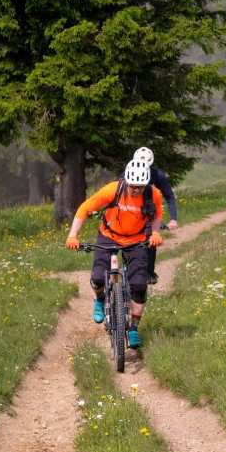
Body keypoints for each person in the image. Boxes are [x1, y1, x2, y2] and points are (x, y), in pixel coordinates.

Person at [65, 159, 164, 349]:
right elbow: (84, 209)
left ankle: (133, 328)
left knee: (139, 285)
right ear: (126, 181)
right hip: (109, 235)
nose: (136, 190)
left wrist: (156, 232)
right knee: (97, 278)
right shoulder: (112, 190)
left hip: (137, 239)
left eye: (140, 187)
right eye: (133, 186)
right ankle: (100, 299)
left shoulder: (153, 194)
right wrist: (73, 235)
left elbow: (157, 214)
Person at [132, 146, 178, 284]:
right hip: (129, 210)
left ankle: (149, 272)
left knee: (151, 237)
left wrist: (173, 219)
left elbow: (169, 197)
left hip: (148, 212)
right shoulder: (127, 173)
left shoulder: (158, 175)